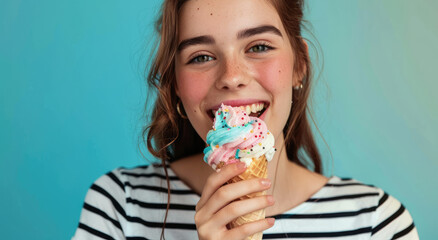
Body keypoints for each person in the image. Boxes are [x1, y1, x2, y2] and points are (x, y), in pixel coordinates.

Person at [73, 0, 419, 239]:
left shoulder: (377, 222)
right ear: (175, 84)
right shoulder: (122, 207)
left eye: (258, 47)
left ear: (300, 65)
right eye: (202, 56)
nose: (232, 76)